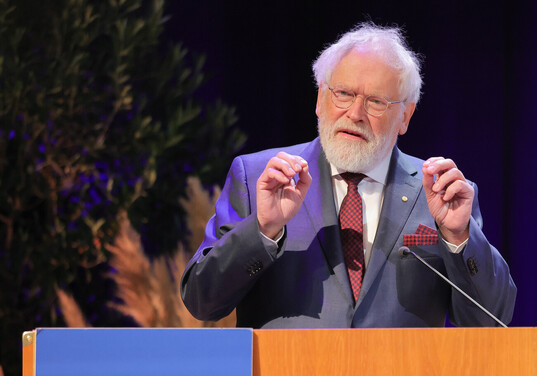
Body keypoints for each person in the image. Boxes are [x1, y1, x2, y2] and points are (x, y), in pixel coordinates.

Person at [181, 23, 516, 328]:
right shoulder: (258, 178)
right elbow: (202, 301)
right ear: (319, 98)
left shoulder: (441, 193)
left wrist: (459, 240)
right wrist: (263, 231)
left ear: (405, 116)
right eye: (343, 94)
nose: (354, 114)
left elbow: (492, 320)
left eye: (375, 102)